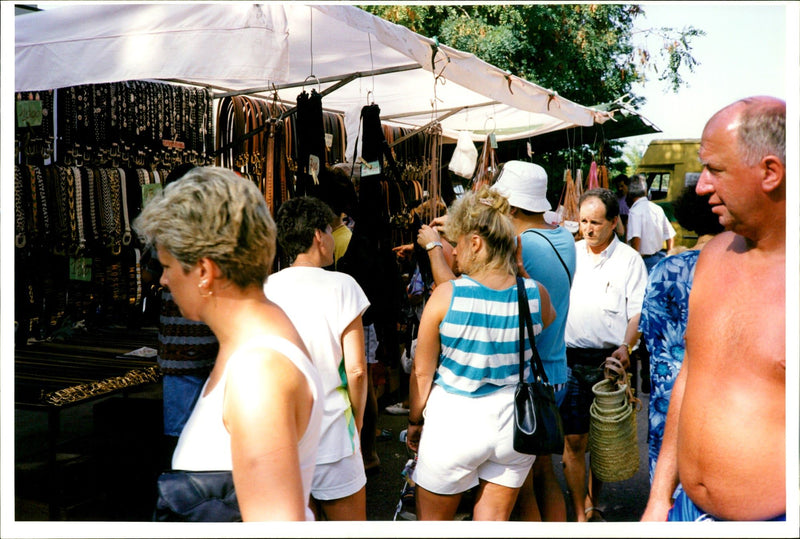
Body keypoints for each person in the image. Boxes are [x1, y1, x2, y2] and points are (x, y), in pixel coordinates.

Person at [133, 167, 323, 521]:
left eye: (168, 265)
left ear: (204, 271)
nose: (163, 279)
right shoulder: (253, 344)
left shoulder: (258, 372)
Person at [642, 96, 786, 522]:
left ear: (770, 173)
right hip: (685, 509)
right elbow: (691, 376)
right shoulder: (712, 257)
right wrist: (658, 497)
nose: (701, 185)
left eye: (715, 170)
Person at [406, 186, 556, 520]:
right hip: (513, 428)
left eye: (457, 244)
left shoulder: (446, 296)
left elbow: (421, 373)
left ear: (476, 243)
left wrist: (415, 421)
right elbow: (547, 319)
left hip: (454, 424)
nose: (454, 254)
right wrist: (516, 264)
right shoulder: (536, 294)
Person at [265, 196, 370, 520]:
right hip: (335, 435)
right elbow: (356, 370)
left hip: (283, 438)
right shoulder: (343, 285)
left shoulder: (266, 288)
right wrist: (359, 420)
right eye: (329, 228)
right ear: (317, 236)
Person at [491, 160, 576, 522]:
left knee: (520, 482)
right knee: (543, 471)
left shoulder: (521, 245)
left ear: (509, 206)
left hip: (527, 375)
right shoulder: (565, 238)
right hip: (556, 369)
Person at [561, 187, 647, 522]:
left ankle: (593, 502)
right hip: (569, 360)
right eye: (583, 221)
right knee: (573, 439)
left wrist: (626, 347)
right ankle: (581, 513)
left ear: (614, 222)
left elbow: (637, 311)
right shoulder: (569, 252)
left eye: (596, 222)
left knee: (602, 440)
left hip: (610, 364)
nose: (588, 229)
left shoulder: (629, 260)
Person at [638, 185, 723, 494]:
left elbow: (648, 333)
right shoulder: (737, 269)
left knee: (666, 487)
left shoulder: (664, 269)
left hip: (667, 395)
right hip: (719, 398)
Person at [148, 163, 219, 465]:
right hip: (216, 346)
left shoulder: (163, 233)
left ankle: (184, 499)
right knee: (215, 431)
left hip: (179, 352)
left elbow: (149, 277)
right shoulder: (220, 231)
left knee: (180, 437)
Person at [625, 174, 676, 273]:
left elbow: (636, 238)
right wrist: (669, 256)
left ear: (629, 193)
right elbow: (670, 235)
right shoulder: (657, 208)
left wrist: (634, 263)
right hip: (659, 258)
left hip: (644, 261)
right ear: (645, 191)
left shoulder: (635, 211)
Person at [612, 174, 630, 238]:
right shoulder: (614, 198)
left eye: (622, 186)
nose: (620, 189)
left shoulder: (632, 199)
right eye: (618, 187)